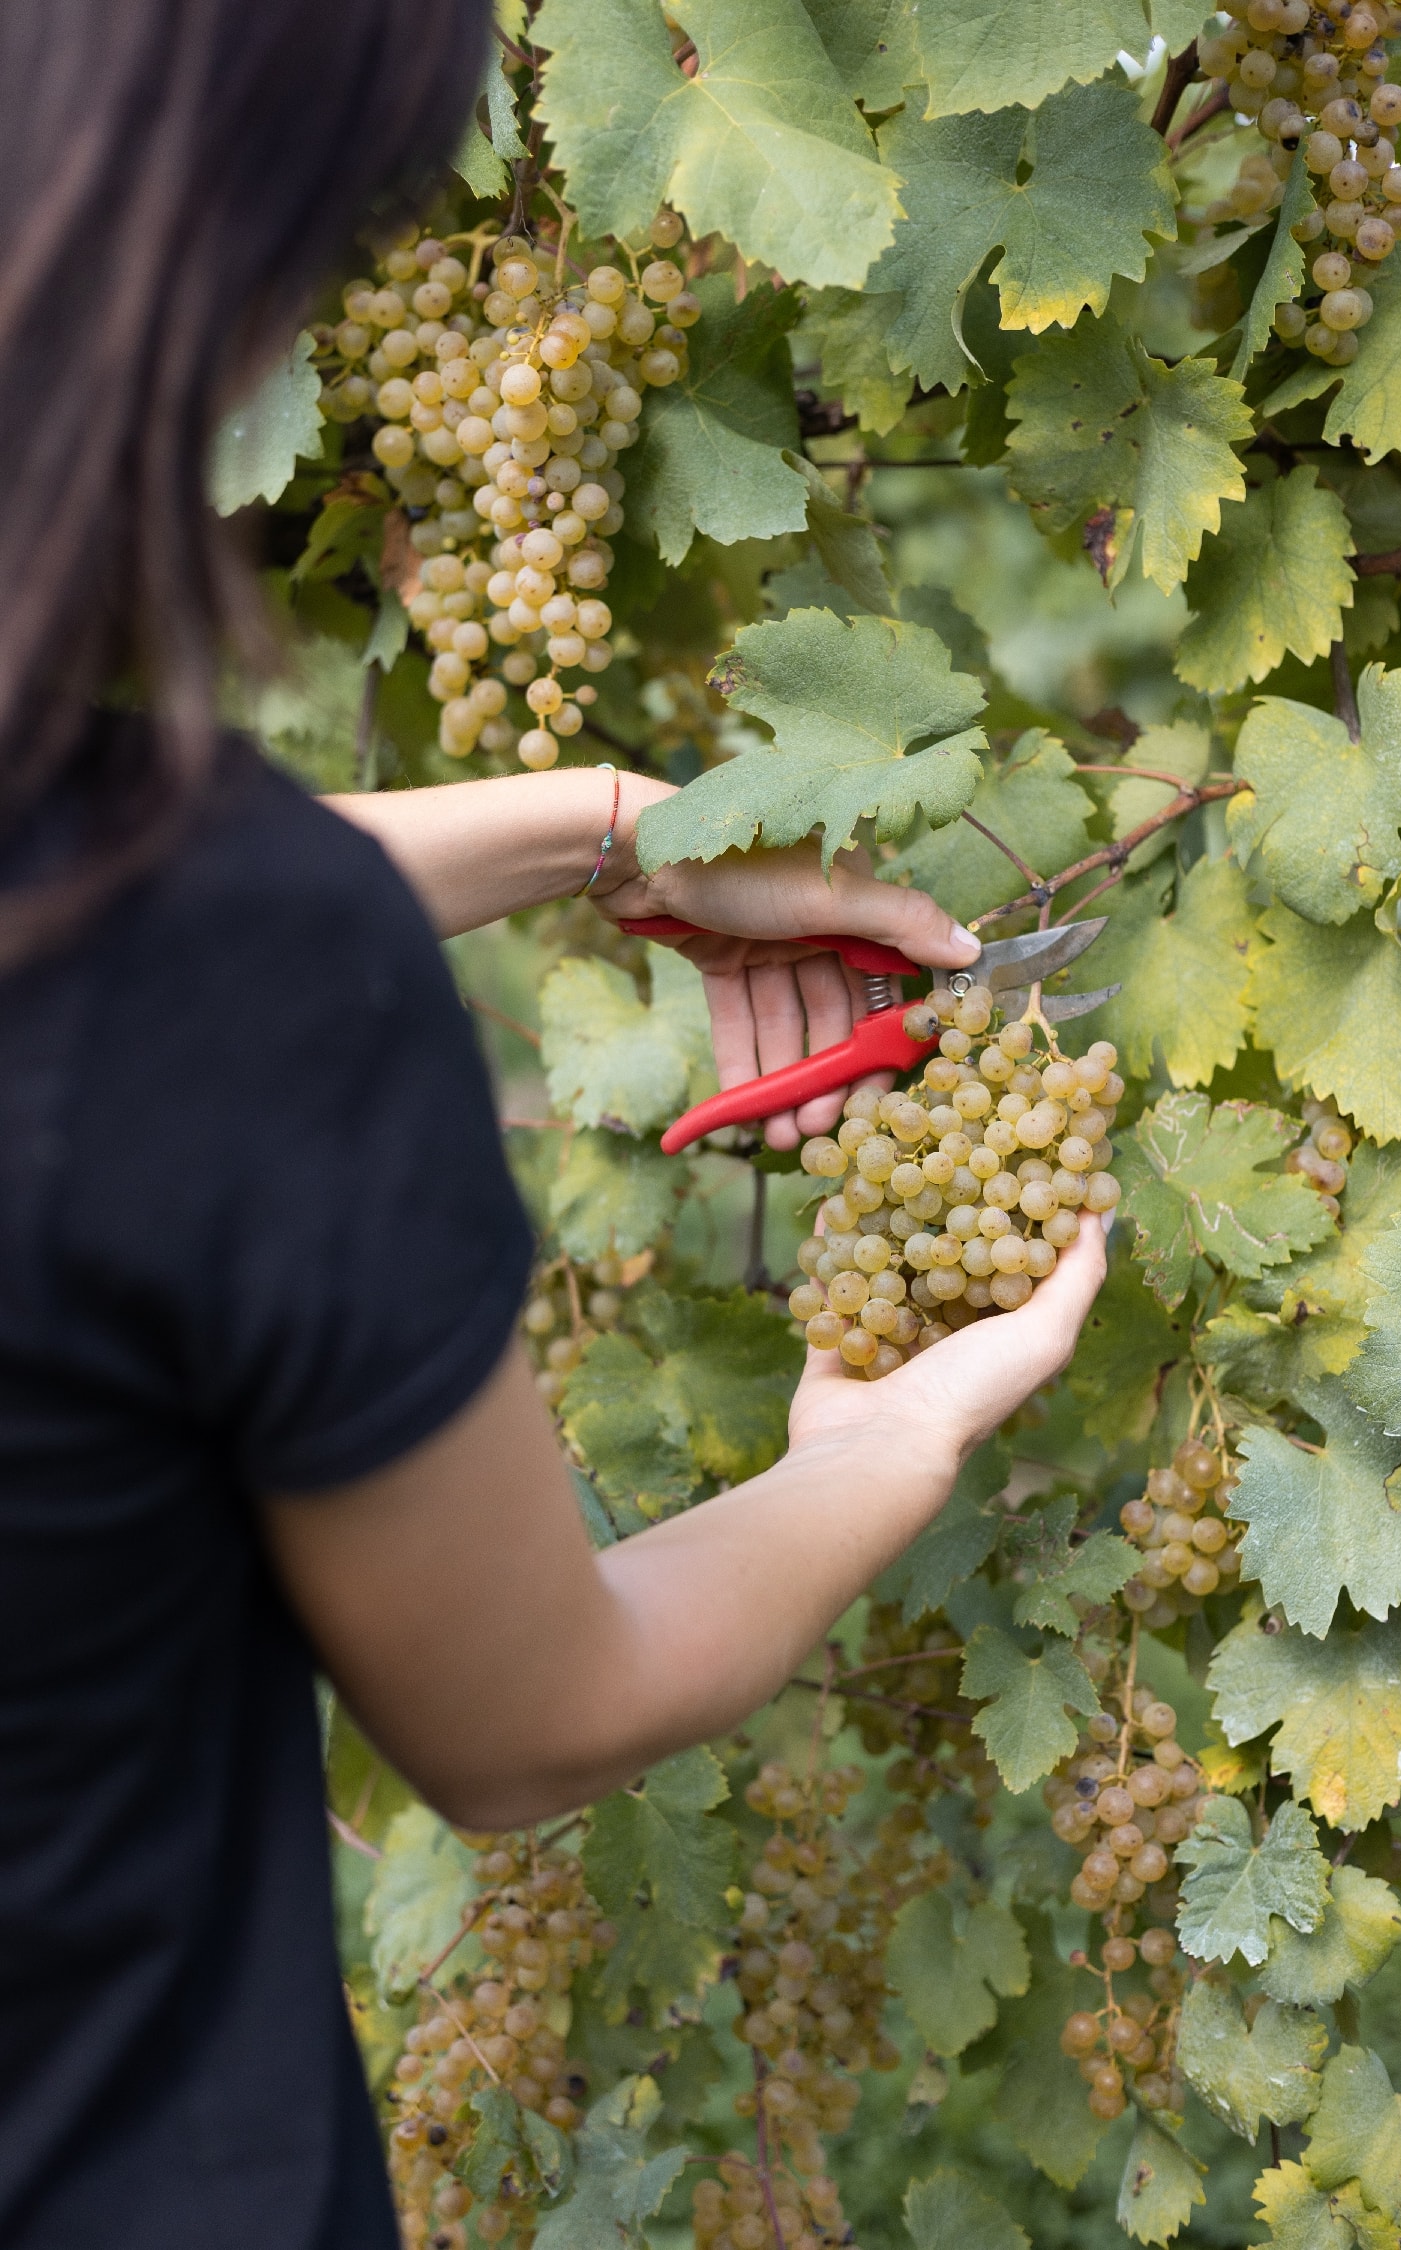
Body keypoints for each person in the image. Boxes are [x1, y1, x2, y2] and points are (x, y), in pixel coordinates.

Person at [0, 3, 1108, 2246]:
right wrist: (875, 1451)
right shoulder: (243, 983)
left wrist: (614, 827)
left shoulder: (201, 954)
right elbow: (521, 1725)